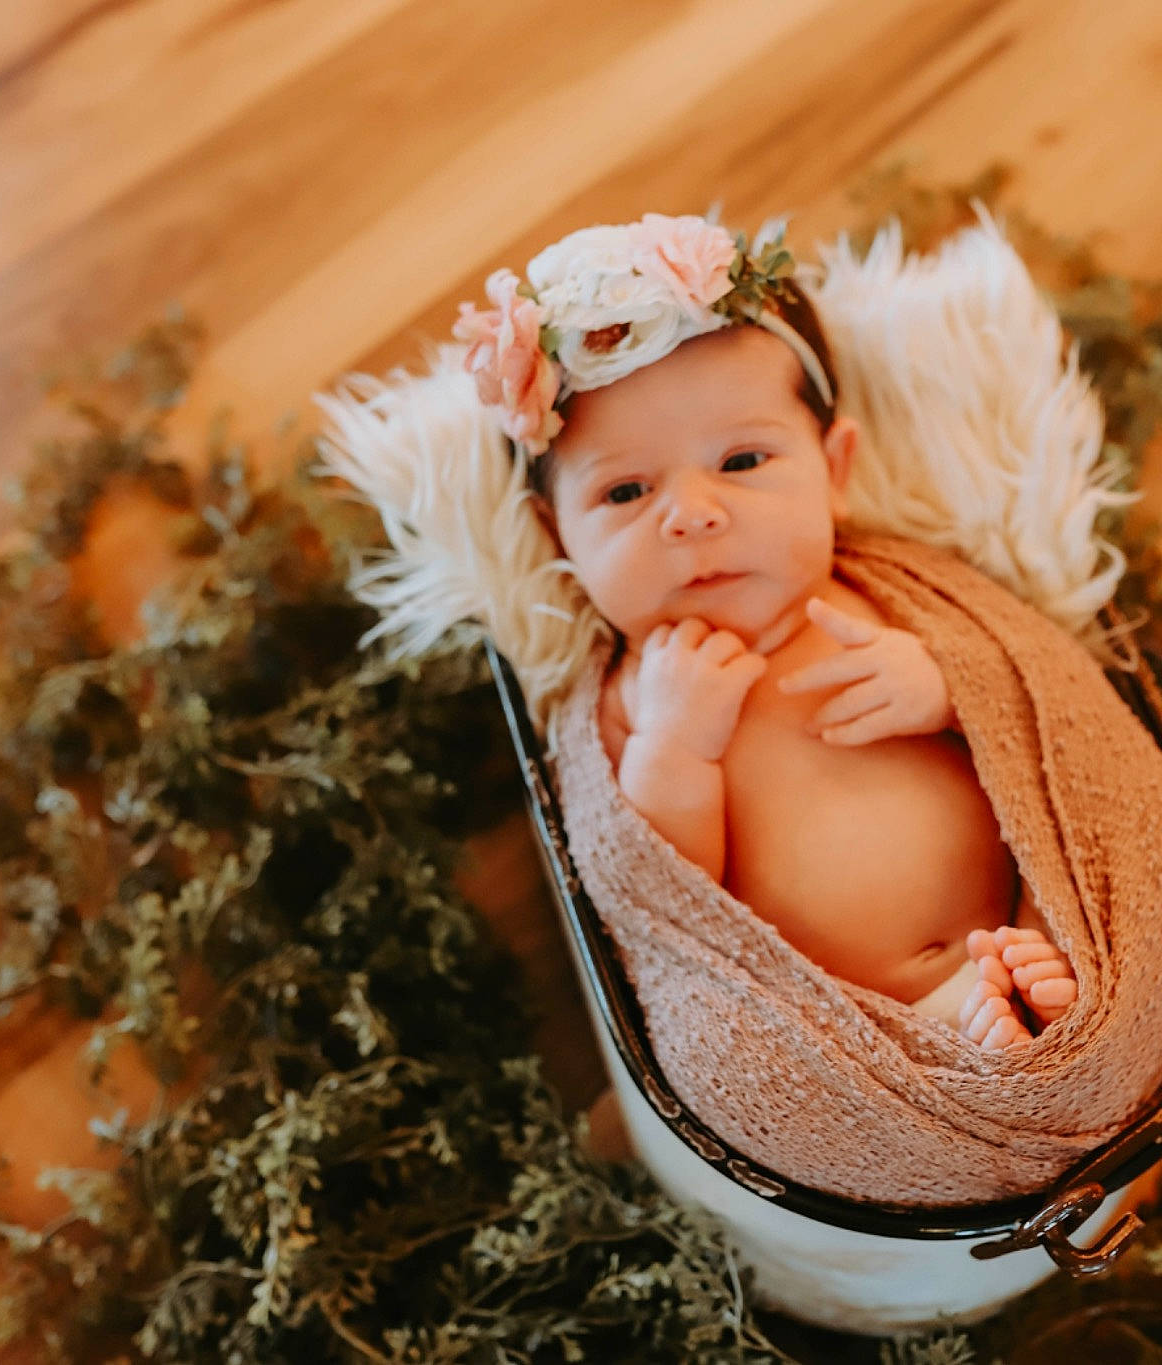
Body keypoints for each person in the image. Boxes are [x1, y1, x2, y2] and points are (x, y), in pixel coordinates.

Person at [457, 214, 1077, 1049]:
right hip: (848, 1030)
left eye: (742, 462)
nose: (693, 515)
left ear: (836, 470)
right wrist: (676, 750)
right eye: (626, 492)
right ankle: (967, 1033)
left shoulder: (886, 599)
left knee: (1068, 934)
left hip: (1015, 914)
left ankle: (1040, 993)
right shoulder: (637, 698)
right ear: (554, 532)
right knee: (906, 1055)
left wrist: (944, 686)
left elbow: (1036, 700)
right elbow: (662, 894)